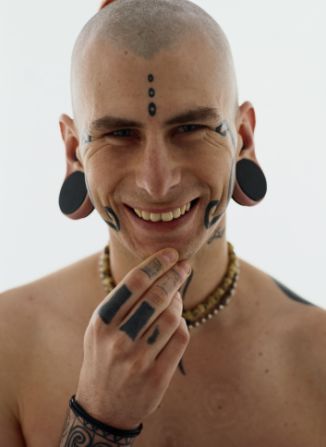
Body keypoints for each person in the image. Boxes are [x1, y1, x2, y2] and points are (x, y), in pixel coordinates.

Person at [0, 0, 325, 445]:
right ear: (74, 151)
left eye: (190, 128)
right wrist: (99, 419)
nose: (158, 182)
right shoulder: (7, 346)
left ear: (244, 140)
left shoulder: (318, 357)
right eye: (118, 134)